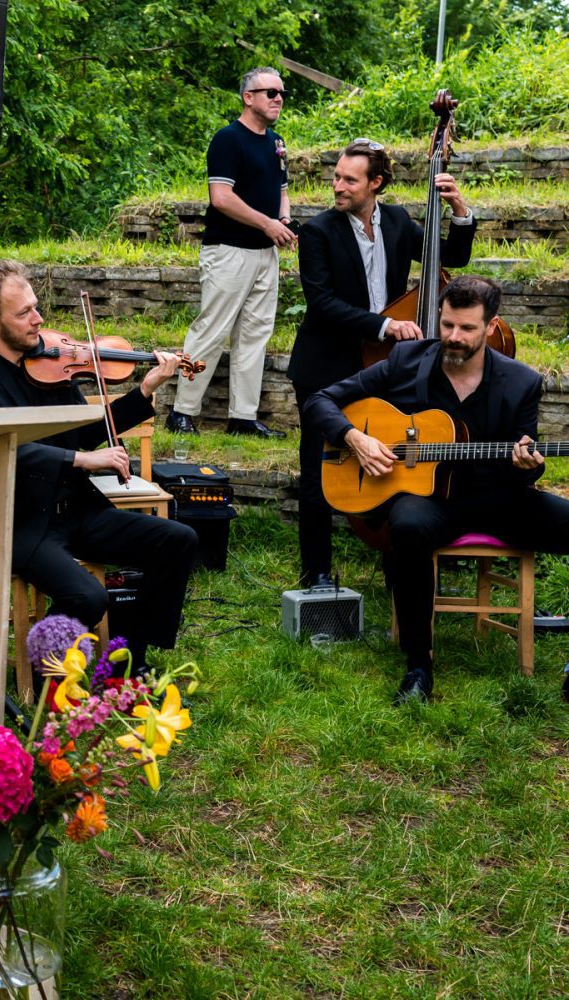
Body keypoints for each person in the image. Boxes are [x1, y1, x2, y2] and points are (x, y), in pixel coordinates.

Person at [306, 276, 569, 704]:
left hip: (497, 499)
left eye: (466, 328)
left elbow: (523, 467)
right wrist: (355, 438)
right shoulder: (406, 359)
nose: (453, 337)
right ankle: (418, 667)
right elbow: (320, 400)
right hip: (428, 499)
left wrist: (527, 467)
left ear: (490, 326)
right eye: (447, 324)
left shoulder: (521, 382)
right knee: (407, 527)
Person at [0, 260, 199, 673]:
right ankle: (40, 663)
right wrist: (80, 460)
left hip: (78, 510)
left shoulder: (51, 365)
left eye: (35, 307)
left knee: (179, 541)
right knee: (88, 597)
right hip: (25, 523)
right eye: (24, 313)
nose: (38, 319)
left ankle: (130, 659)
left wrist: (144, 390)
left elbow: (84, 433)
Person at [290, 139, 475, 588]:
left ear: (376, 183)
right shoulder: (318, 231)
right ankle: (315, 570)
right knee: (321, 462)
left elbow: (451, 257)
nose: (337, 186)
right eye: (336, 176)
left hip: (383, 364)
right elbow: (322, 303)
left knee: (396, 458)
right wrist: (385, 326)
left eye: (348, 180)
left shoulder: (395, 221)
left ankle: (400, 562)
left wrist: (459, 210)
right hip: (327, 361)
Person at [166, 67, 295, 439]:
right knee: (211, 330)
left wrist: (283, 220)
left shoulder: (276, 142)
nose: (278, 98)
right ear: (248, 97)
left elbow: (281, 189)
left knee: (255, 335)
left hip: (264, 255)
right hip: (228, 252)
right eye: (269, 91)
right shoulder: (227, 139)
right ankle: (182, 411)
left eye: (281, 92)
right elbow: (220, 198)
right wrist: (267, 224)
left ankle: (243, 418)